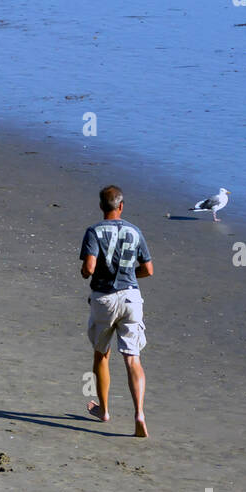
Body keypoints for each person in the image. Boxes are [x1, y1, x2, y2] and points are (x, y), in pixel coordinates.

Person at [79, 185, 153, 437]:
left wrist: (86, 272)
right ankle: (140, 413)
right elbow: (148, 269)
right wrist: (131, 275)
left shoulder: (94, 231)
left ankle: (104, 410)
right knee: (133, 359)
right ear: (121, 206)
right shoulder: (135, 230)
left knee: (102, 355)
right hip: (132, 297)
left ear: (101, 206)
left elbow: (89, 267)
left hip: (105, 299)